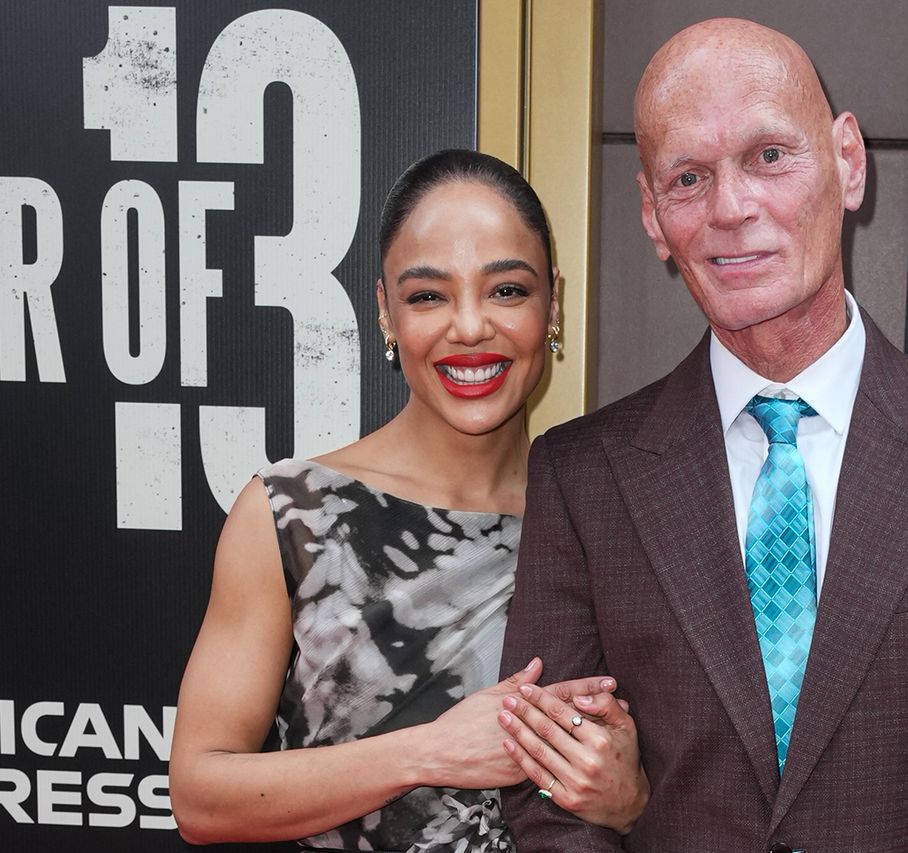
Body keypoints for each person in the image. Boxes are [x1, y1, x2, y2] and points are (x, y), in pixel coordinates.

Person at [497, 18, 908, 851]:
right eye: (690, 177)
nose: (732, 208)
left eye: (770, 157)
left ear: (848, 161)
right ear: (654, 215)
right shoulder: (581, 477)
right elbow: (547, 789)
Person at [170, 149, 648, 852]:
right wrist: (429, 751)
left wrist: (631, 800)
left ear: (555, 302)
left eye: (506, 290)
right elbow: (201, 796)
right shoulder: (292, 515)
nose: (469, 327)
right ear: (387, 314)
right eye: (428, 295)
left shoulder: (608, 516)